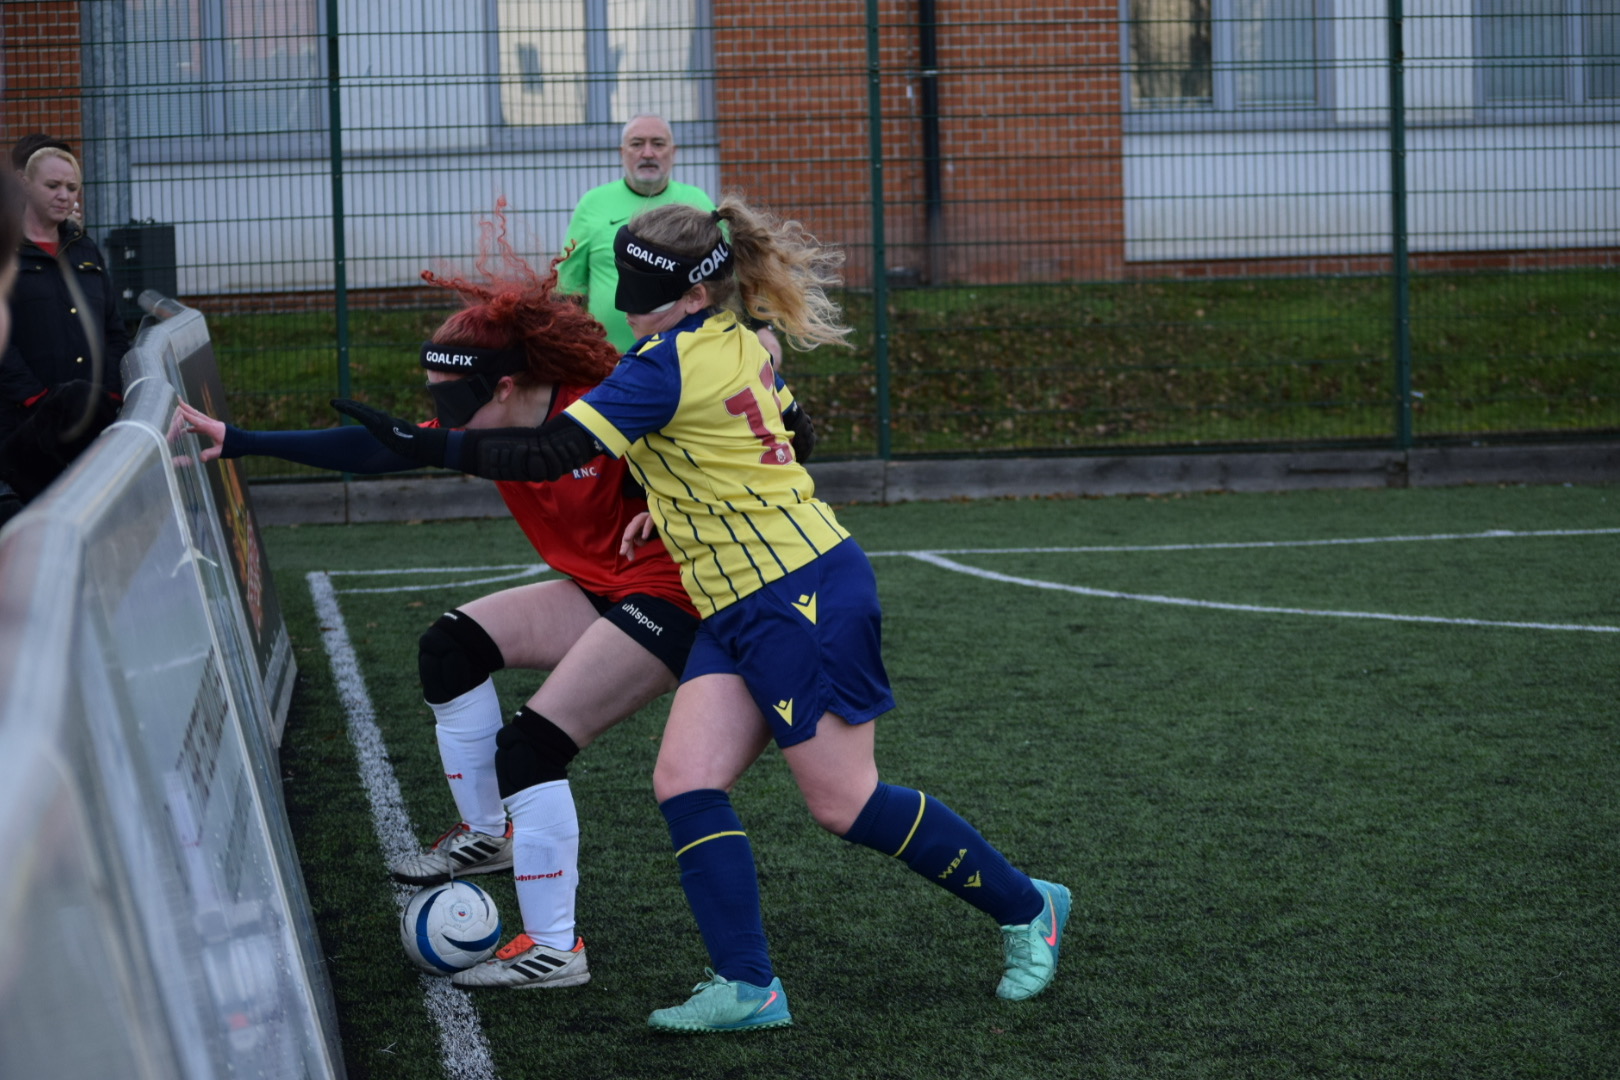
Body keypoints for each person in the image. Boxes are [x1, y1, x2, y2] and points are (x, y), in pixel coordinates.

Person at [335, 195, 1071, 1033]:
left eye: (641, 289)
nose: (624, 303)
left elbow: (551, 452)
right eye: (625, 281)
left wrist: (421, 441)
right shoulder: (734, 338)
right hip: (736, 593)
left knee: (845, 804)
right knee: (685, 780)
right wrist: (676, 500)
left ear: (690, 293)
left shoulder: (666, 363)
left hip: (802, 595)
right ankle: (748, 986)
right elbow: (791, 436)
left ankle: (1027, 907)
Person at [178, 206, 712, 990]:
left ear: (506, 384)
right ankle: (490, 835)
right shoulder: (496, 419)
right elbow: (382, 446)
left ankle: (556, 950)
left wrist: (669, 503)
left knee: (531, 746)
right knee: (450, 648)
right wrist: (246, 440)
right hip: (601, 588)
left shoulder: (611, 399)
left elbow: (737, 438)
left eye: (451, 404)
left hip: (674, 598)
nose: (442, 422)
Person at [0, 141, 129, 521]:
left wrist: (105, 395)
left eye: (72, 188)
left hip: (89, 425)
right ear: (24, 184)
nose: (63, 196)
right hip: (25, 426)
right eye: (53, 185)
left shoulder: (85, 249)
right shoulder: (6, 251)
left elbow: (114, 331)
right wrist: (37, 399)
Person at [556, 114, 714, 353]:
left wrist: (760, 328)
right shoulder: (593, 204)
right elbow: (568, 290)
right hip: (609, 361)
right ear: (622, 152)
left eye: (658, 144)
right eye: (637, 144)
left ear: (674, 152)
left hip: (685, 359)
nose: (648, 153)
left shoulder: (697, 202)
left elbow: (725, 281)